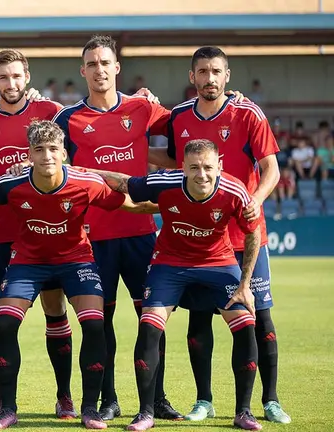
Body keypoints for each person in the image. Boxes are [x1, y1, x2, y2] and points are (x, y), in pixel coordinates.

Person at [0, 120, 157, 430]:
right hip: (28, 261)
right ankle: (7, 408)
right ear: (29, 154)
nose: (47, 156)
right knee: (6, 322)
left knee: (94, 323)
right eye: (39, 150)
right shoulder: (12, 184)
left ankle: (89, 408)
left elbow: (129, 203)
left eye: (53, 149)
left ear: (63, 153)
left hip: (75, 260)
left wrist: (176, 205)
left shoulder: (85, 182)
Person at [52, 34, 181, 421]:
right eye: (92, 64)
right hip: (93, 238)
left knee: (152, 319)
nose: (99, 70)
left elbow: (188, 128)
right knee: (99, 322)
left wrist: (230, 97)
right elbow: (48, 159)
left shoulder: (143, 108)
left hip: (142, 233)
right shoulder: (67, 118)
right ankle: (107, 398)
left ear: (116, 67)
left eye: (105, 63)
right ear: (83, 71)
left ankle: (156, 398)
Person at [94, 139, 263, 431]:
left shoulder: (235, 191)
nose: (202, 174)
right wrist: (69, 169)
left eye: (208, 167)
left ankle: (243, 412)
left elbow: (253, 234)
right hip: (169, 263)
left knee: (246, 324)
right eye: (194, 167)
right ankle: (146, 413)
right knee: (149, 327)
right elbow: (123, 184)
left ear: (219, 166)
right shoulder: (164, 181)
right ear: (182, 168)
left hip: (218, 263)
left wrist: (245, 285)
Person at [160, 46, 289, 424]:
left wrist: (255, 200)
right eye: (203, 71)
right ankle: (204, 400)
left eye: (216, 71)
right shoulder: (179, 117)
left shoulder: (248, 114)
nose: (210, 78)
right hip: (200, 239)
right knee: (199, 319)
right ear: (192, 77)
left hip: (246, 237)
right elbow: (170, 159)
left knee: (259, 318)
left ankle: (271, 399)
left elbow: (271, 169)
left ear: (227, 75)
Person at [0, 49, 78, 420]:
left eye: (16, 76)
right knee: (0, 318)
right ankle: (1, 398)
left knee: (55, 310)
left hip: (48, 229)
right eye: (3, 78)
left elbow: (73, 160)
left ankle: (64, 396)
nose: (11, 84)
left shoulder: (52, 112)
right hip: (0, 230)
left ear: (27, 76)